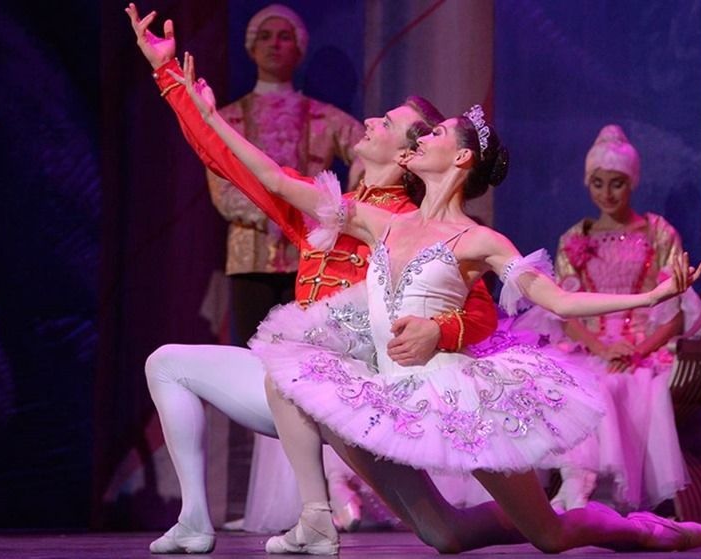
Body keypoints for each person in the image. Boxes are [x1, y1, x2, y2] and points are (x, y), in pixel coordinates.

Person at [171, 49, 701, 555]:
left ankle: (643, 531)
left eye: (436, 133)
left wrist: (653, 294)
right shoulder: (377, 220)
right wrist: (209, 114)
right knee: (441, 535)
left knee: (548, 534)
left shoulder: (478, 240)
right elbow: (272, 179)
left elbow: (560, 302)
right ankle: (316, 515)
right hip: (391, 392)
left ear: (461, 156)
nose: (422, 138)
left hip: (463, 399)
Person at [126, 5, 498, 553]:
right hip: (299, 390)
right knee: (168, 364)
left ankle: (565, 526)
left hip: (361, 395)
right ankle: (195, 521)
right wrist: (171, 80)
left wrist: (435, 332)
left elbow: (481, 310)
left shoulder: (415, 226)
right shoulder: (329, 207)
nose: (368, 122)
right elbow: (239, 168)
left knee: (446, 533)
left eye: (385, 122)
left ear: (407, 153)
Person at [206, 4, 365, 535]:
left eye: (284, 37)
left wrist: (340, 207)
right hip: (251, 259)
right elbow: (224, 189)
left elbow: (368, 153)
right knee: (255, 376)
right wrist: (280, 213)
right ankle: (259, 499)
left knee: (314, 373)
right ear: (250, 47)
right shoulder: (231, 118)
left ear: (299, 48)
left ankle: (325, 492)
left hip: (312, 263)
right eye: (265, 36)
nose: (275, 45)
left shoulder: (322, 116)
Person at [549, 125, 699, 511]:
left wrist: (635, 350)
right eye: (598, 183)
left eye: (616, 183)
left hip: (643, 351)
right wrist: (601, 348)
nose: (607, 194)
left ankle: (608, 491)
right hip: (592, 349)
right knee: (572, 386)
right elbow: (566, 312)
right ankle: (575, 481)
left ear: (631, 182)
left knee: (610, 386)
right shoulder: (574, 238)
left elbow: (674, 314)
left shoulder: (658, 233)